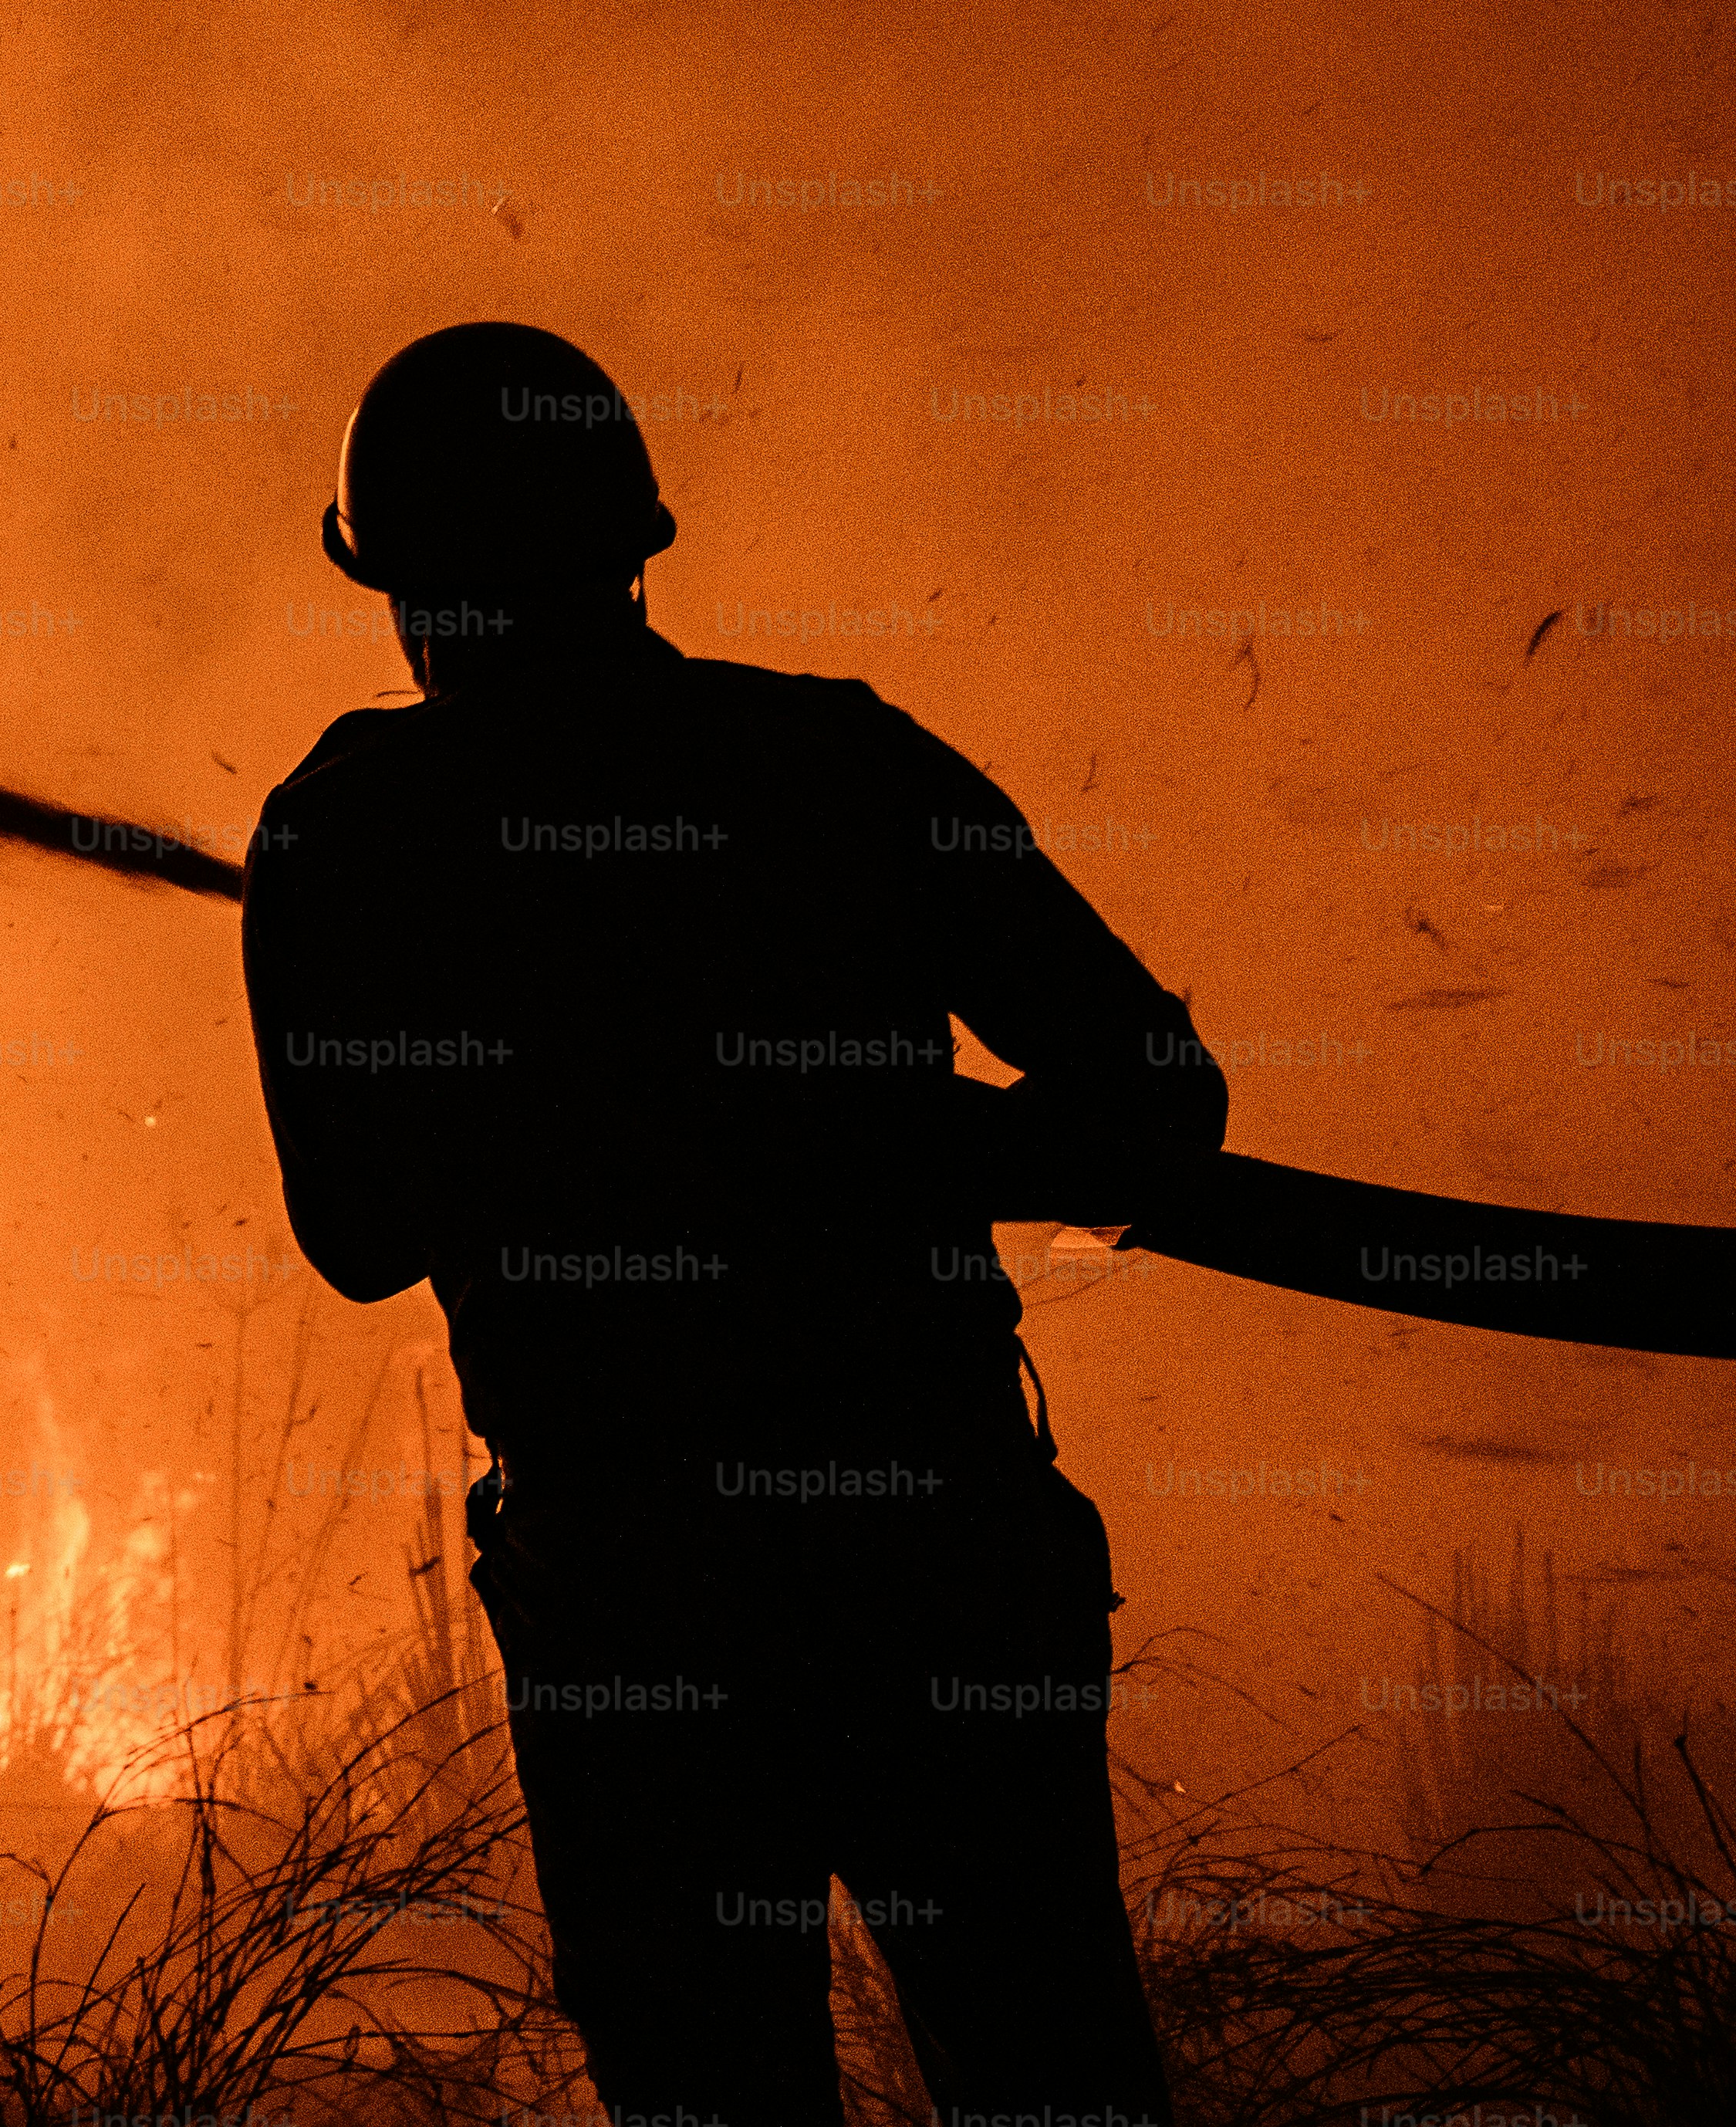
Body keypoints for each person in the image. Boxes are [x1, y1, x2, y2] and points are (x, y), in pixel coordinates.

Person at [240, 321, 1221, 2127]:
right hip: (934, 1559)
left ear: (401, 586)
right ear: (632, 542)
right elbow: (1159, 1096)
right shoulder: (837, 762)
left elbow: (360, 1230)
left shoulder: (348, 838)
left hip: (644, 1605)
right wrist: (898, 1135)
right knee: (1057, 2081)